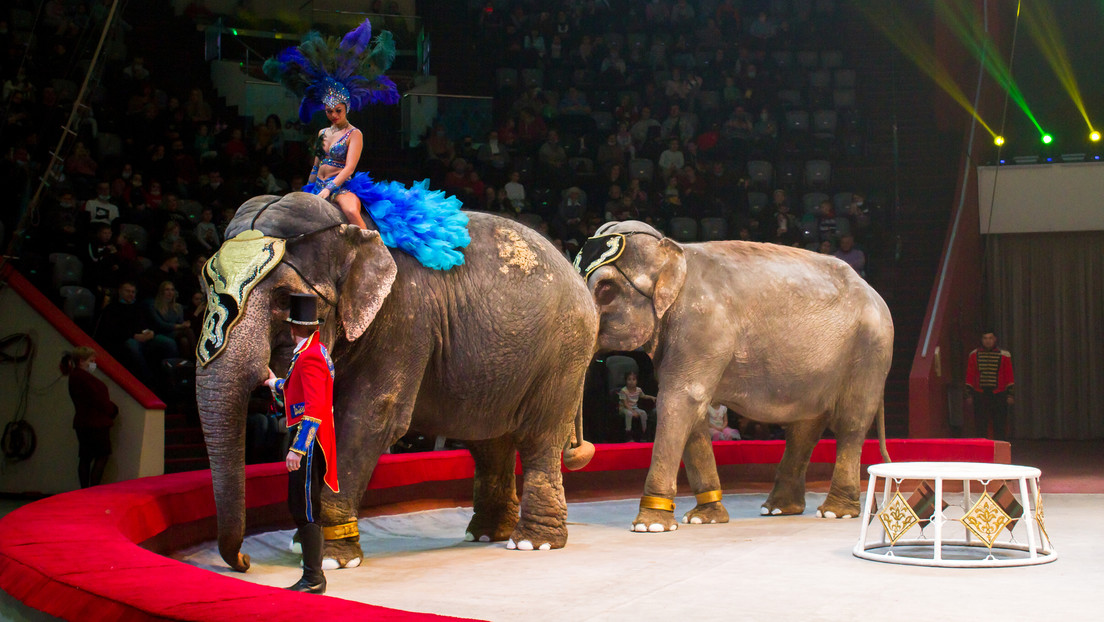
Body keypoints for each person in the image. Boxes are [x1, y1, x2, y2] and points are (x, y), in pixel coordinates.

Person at [264, 18, 469, 270]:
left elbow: (349, 168)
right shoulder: (321, 132)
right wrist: (310, 187)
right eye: (329, 111)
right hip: (318, 184)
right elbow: (316, 165)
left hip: (341, 185)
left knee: (351, 211)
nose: (333, 115)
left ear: (346, 108)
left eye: (337, 110)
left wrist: (329, 190)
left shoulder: (354, 133)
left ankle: (375, 255)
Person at [263, 294, 338, 594]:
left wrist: (299, 447)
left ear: (294, 328)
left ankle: (313, 578)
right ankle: (312, 575)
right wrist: (274, 384)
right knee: (300, 504)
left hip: (310, 441)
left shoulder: (309, 357)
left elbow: (315, 407)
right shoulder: (311, 351)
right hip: (309, 437)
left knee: (306, 507)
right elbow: (299, 392)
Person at [60, 347, 118, 488]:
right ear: (81, 361)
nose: (93, 364)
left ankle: (86, 489)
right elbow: (98, 400)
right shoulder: (83, 378)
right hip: (96, 423)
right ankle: (92, 489)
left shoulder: (75, 376)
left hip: (84, 423)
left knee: (86, 457)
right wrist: (112, 409)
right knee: (101, 455)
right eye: (91, 361)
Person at [966, 330, 1015, 440]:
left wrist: (1010, 395)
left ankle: (1000, 447)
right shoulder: (974, 354)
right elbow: (970, 375)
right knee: (980, 423)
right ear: (981, 340)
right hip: (980, 394)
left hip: (999, 393)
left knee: (1000, 423)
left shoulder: (1004, 355)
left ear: (995, 339)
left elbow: (1009, 375)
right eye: (985, 338)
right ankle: (981, 448)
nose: (988, 341)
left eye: (990, 338)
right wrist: (969, 394)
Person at [618, 372, 654, 442]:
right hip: (624, 408)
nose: (631, 382)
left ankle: (644, 433)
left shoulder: (638, 390)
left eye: (633, 379)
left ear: (636, 381)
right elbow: (625, 404)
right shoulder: (623, 391)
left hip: (635, 408)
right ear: (626, 381)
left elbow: (643, 396)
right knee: (629, 414)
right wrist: (633, 412)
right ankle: (628, 434)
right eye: (629, 379)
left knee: (643, 413)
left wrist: (652, 397)